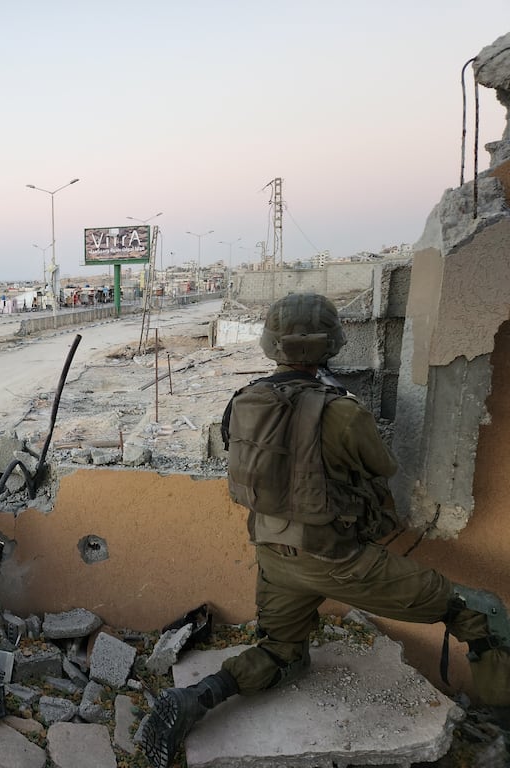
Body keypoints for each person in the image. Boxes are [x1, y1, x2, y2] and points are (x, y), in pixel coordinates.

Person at [139, 292, 510, 767]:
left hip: (273, 557)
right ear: (330, 345)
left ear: (271, 345)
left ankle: (201, 696)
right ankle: (501, 729)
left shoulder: (244, 400)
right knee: (483, 613)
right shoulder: (343, 412)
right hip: (338, 561)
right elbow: (383, 465)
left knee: (282, 654)